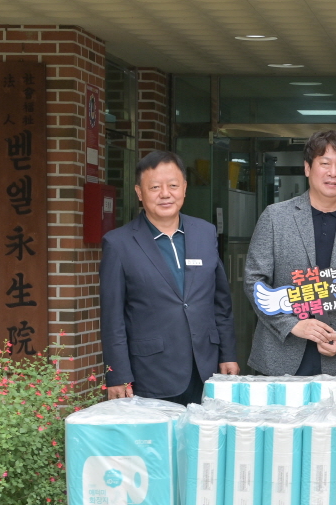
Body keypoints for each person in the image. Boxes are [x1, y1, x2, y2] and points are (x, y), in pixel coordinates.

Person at [244, 129, 336, 382]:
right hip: (280, 355)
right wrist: (292, 325)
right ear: (308, 168)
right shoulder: (275, 217)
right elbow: (254, 281)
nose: (333, 173)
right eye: (325, 163)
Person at [100, 150, 239, 405]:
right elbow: (112, 318)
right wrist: (117, 374)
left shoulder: (205, 232)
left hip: (206, 368)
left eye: (173, 185)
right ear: (139, 192)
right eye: (155, 187)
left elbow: (221, 303)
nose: (165, 194)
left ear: (184, 188)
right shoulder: (119, 243)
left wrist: (228, 354)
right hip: (150, 372)